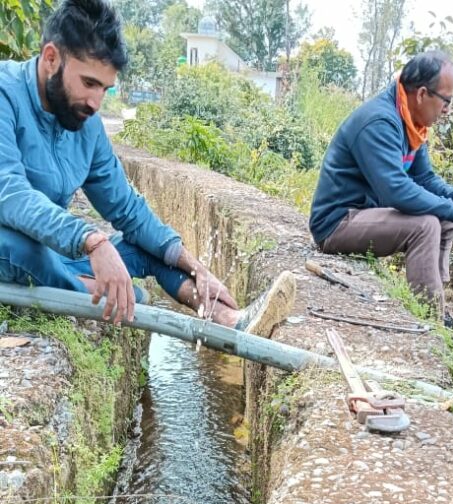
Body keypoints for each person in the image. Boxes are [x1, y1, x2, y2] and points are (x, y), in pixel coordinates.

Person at [0, 0, 295, 330]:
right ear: (51, 58)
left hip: (51, 252)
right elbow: (11, 194)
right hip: (11, 245)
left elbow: (127, 208)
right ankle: (96, 291)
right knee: (26, 250)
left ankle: (229, 319)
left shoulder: (86, 123)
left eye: (105, 89)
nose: (96, 103)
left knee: (150, 248)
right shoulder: (5, 93)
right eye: (88, 83)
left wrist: (194, 266)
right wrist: (92, 240)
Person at [309, 50, 453, 326]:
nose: (447, 109)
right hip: (337, 223)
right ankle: (431, 321)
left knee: (446, 221)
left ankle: (438, 306)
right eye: (446, 100)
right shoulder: (380, 122)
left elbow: (425, 179)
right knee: (426, 225)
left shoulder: (411, 122)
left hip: (366, 214)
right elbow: (396, 191)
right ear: (422, 94)